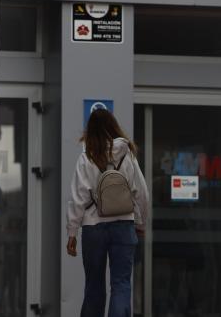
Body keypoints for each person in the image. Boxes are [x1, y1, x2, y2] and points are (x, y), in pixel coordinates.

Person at [66, 109, 149, 317]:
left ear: (90, 130)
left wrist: (72, 233)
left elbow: (78, 198)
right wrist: (141, 223)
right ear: (113, 127)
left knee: (93, 285)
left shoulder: (86, 157)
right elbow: (141, 193)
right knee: (121, 284)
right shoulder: (128, 155)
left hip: (93, 228)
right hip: (124, 225)